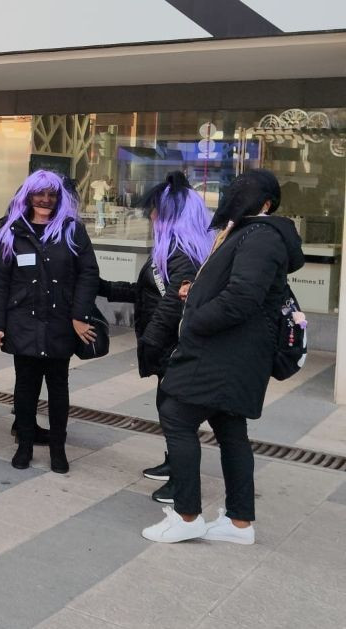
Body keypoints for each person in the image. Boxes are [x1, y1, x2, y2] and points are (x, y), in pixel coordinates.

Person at [142, 169, 304, 544]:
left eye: (246, 191)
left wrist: (193, 320)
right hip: (232, 354)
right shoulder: (246, 232)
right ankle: (239, 523)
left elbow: (241, 298)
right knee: (231, 431)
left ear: (267, 203)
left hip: (225, 354)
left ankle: (187, 515)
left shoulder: (261, 235)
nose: (234, 195)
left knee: (176, 415)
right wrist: (196, 292)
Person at [99, 171, 212, 504]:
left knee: (175, 417)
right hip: (168, 348)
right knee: (169, 412)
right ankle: (173, 463)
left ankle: (182, 484)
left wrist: (150, 341)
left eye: (155, 211)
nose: (150, 217)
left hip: (174, 349)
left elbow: (172, 303)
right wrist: (105, 288)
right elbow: (147, 292)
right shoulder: (173, 251)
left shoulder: (183, 256)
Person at [0, 169, 99, 474]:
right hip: (23, 320)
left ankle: (58, 449)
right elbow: (0, 279)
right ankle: (24, 445)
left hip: (60, 322)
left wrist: (79, 315)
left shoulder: (72, 229)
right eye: (39, 194)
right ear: (28, 196)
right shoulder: (11, 230)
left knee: (58, 388)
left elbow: (88, 274)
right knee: (25, 387)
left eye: (51, 194)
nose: (45, 200)